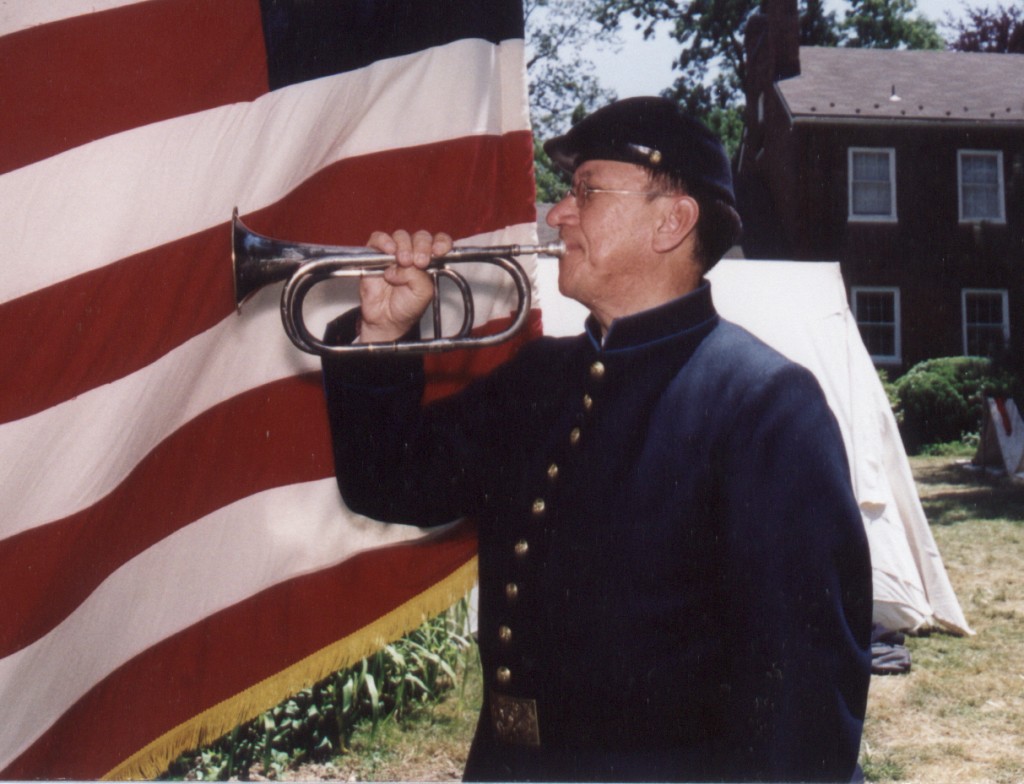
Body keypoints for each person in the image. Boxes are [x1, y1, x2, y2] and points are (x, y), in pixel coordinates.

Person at [321, 97, 873, 782]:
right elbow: (387, 480)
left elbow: (805, 703)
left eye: (585, 191)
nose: (557, 212)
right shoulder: (538, 378)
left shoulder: (763, 407)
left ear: (672, 221)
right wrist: (383, 338)